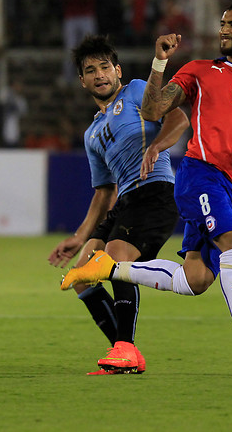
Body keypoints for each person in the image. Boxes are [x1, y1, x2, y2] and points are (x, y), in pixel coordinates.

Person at [61, 0, 232, 376]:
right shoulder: (200, 71)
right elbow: (155, 110)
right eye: (222, 23)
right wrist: (159, 64)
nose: (224, 30)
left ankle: (111, 269)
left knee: (195, 280)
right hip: (200, 175)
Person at [49, 34, 189, 375]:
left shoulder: (139, 90)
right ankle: (125, 352)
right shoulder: (92, 133)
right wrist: (79, 237)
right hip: (126, 200)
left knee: (115, 258)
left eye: (104, 67)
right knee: (83, 276)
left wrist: (156, 146)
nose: (100, 75)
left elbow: (179, 119)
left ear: (118, 71)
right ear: (82, 81)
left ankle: (124, 351)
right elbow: (103, 192)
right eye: (90, 70)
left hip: (155, 192)